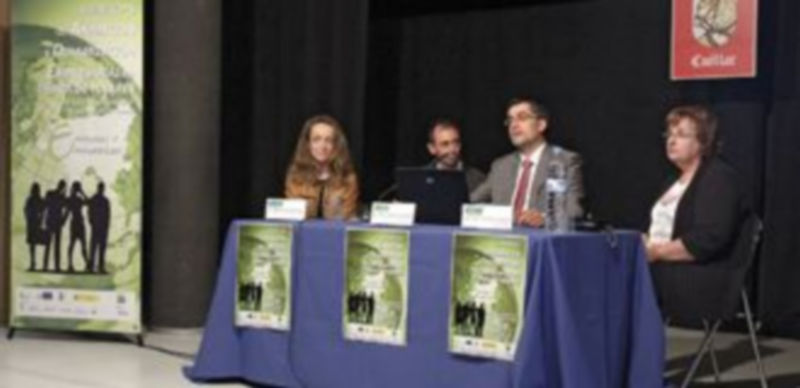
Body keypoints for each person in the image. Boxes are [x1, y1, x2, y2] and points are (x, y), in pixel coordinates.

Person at [645, 105, 748, 263]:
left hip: (691, 275)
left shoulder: (718, 177)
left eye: (681, 135)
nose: (671, 141)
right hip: (658, 267)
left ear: (702, 142)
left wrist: (657, 252)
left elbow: (709, 237)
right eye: (669, 134)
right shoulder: (672, 180)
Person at [471, 97, 585, 227]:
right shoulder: (500, 166)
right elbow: (471, 202)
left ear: (541, 125)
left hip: (540, 241)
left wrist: (544, 219)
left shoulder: (565, 161)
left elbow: (575, 210)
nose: (514, 125)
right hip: (502, 240)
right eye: (510, 120)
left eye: (522, 117)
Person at [285, 114, 359, 220]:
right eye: (316, 139)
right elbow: (291, 216)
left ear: (336, 145)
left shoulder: (348, 178)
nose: (322, 146)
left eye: (328, 140)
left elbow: (347, 217)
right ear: (307, 144)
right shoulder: (295, 175)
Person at [425, 118, 486, 193]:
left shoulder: (477, 179)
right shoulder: (421, 179)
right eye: (445, 144)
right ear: (431, 148)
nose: (452, 149)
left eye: (456, 142)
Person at [43, 180, 68, 272]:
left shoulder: (50, 193)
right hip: (57, 222)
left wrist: (42, 220)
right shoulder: (62, 197)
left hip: (50, 221)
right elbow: (67, 208)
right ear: (63, 187)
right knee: (57, 245)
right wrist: (64, 220)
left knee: (48, 244)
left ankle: (45, 266)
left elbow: (44, 206)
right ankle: (56, 266)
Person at [88, 182, 111, 274]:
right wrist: (92, 221)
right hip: (100, 227)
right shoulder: (104, 200)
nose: (102, 189)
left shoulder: (96, 199)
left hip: (98, 227)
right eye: (102, 188)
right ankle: (98, 267)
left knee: (96, 247)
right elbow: (107, 215)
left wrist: (92, 221)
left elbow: (90, 212)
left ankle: (95, 267)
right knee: (98, 248)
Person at [66, 181, 88, 272]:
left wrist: (63, 221)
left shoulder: (71, 199)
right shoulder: (77, 199)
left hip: (75, 223)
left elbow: (67, 212)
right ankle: (87, 264)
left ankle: (71, 265)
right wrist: (82, 192)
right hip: (79, 223)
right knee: (81, 245)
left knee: (72, 245)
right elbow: (87, 201)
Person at [24, 182, 46, 271]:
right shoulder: (38, 199)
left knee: (32, 244)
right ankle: (35, 263)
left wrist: (28, 218)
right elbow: (43, 208)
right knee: (35, 243)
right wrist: (40, 218)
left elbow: (26, 210)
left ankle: (33, 262)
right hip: (36, 223)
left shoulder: (30, 199)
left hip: (31, 223)